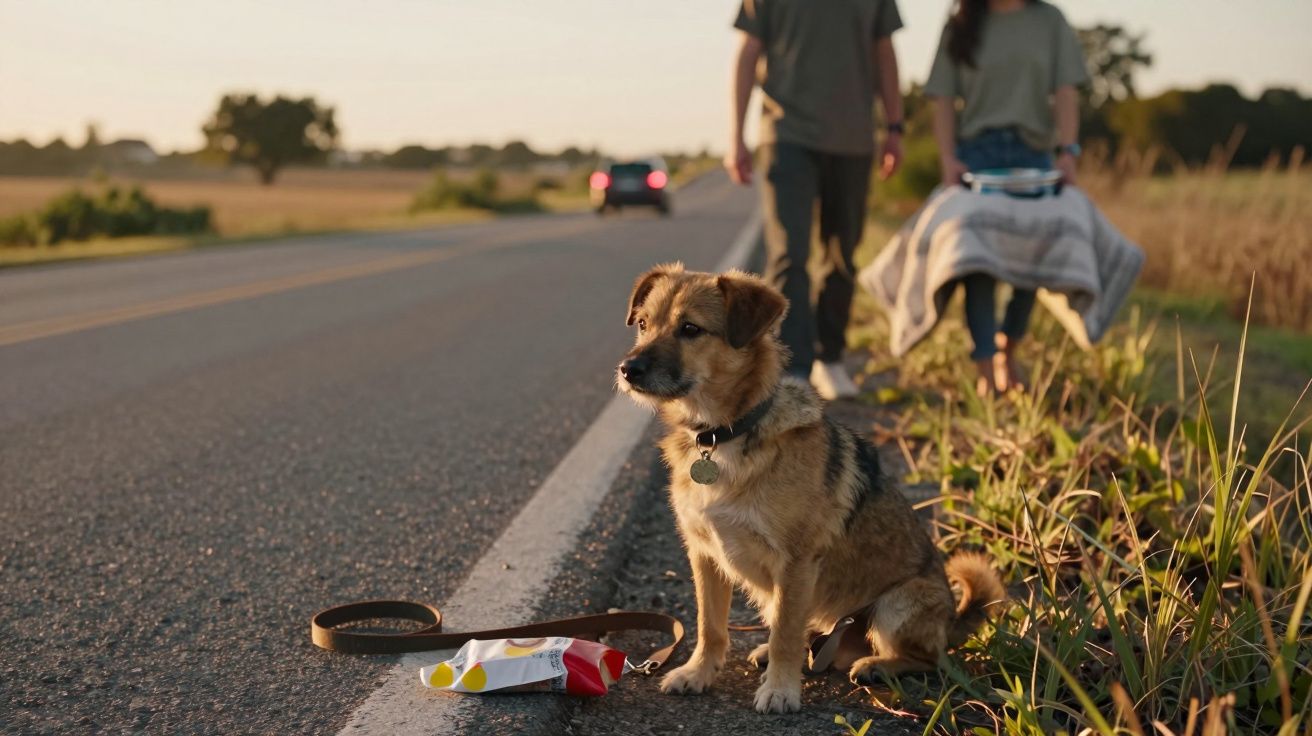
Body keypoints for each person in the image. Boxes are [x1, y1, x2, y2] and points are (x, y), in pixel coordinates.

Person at [725, 0, 905, 400]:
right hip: (786, 135)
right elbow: (748, 52)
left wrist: (895, 126)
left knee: (843, 255)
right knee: (790, 254)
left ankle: (831, 358)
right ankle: (793, 369)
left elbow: (884, 52)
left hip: (854, 138)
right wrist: (736, 136)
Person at [924, 0, 1089, 395]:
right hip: (976, 155)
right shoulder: (960, 26)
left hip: (1034, 153)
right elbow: (942, 99)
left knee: (1029, 262)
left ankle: (1007, 349)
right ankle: (984, 372)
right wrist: (948, 159)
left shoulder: (1049, 21)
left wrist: (1069, 152)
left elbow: (1066, 90)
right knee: (977, 266)